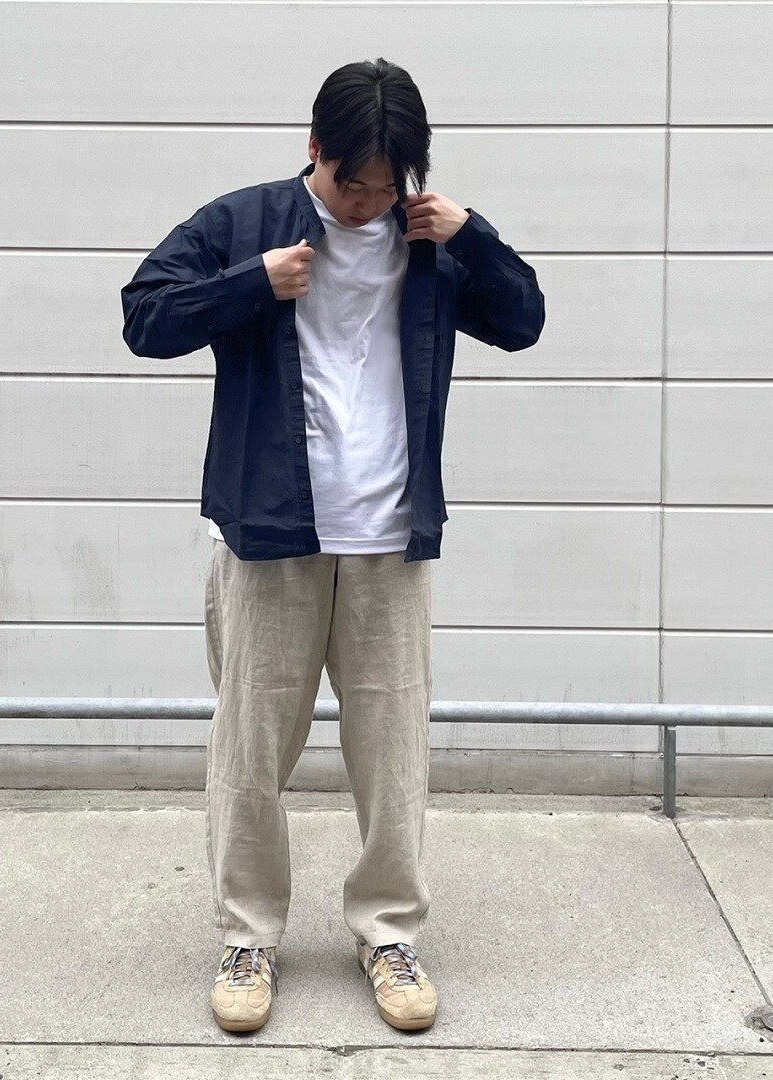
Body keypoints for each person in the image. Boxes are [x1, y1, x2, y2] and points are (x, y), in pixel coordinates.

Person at [121, 57, 545, 1034]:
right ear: (315, 150)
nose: (370, 204)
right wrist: (251, 284)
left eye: (390, 186)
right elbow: (145, 317)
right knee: (250, 750)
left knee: (393, 754)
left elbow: (523, 322)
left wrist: (473, 235)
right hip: (271, 533)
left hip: (392, 536)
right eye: (355, 183)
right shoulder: (245, 223)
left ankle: (388, 932)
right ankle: (247, 937)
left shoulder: (429, 238)